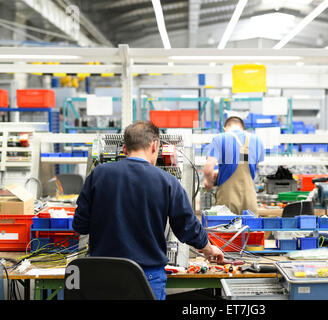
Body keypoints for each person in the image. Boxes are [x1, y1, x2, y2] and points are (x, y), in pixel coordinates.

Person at [73, 121, 224, 300]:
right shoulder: (167, 182)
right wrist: (208, 248)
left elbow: (80, 225)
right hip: (146, 277)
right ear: (154, 145)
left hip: (103, 275)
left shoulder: (98, 175)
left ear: (124, 148)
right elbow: (187, 227)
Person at [203, 116, 264, 215]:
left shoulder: (220, 138)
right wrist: (221, 172)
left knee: (226, 229)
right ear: (242, 128)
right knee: (251, 229)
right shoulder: (257, 140)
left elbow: (208, 168)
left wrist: (209, 182)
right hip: (249, 200)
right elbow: (246, 164)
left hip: (227, 200)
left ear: (225, 128)